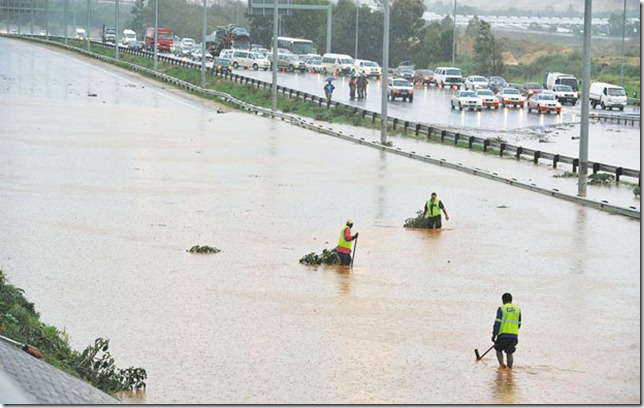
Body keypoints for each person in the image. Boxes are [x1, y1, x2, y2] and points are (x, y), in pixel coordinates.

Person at [491, 293, 521, 369]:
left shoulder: (502, 308)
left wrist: (494, 334)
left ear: (503, 300)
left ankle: (502, 366)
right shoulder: (517, 309)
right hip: (514, 335)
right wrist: (513, 330)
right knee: (509, 352)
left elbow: (498, 322)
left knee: (498, 349)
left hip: (503, 334)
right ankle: (510, 369)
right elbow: (519, 323)